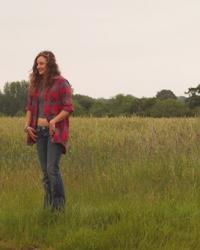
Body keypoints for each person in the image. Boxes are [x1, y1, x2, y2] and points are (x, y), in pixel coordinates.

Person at [24, 50, 74, 212]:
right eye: (37, 64)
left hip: (55, 132)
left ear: (50, 65)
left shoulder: (61, 83)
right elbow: (30, 108)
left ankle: (59, 209)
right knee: (45, 173)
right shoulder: (35, 85)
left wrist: (54, 120)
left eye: (41, 64)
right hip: (38, 132)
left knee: (52, 169)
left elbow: (68, 108)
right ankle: (48, 208)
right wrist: (27, 126)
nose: (38, 67)